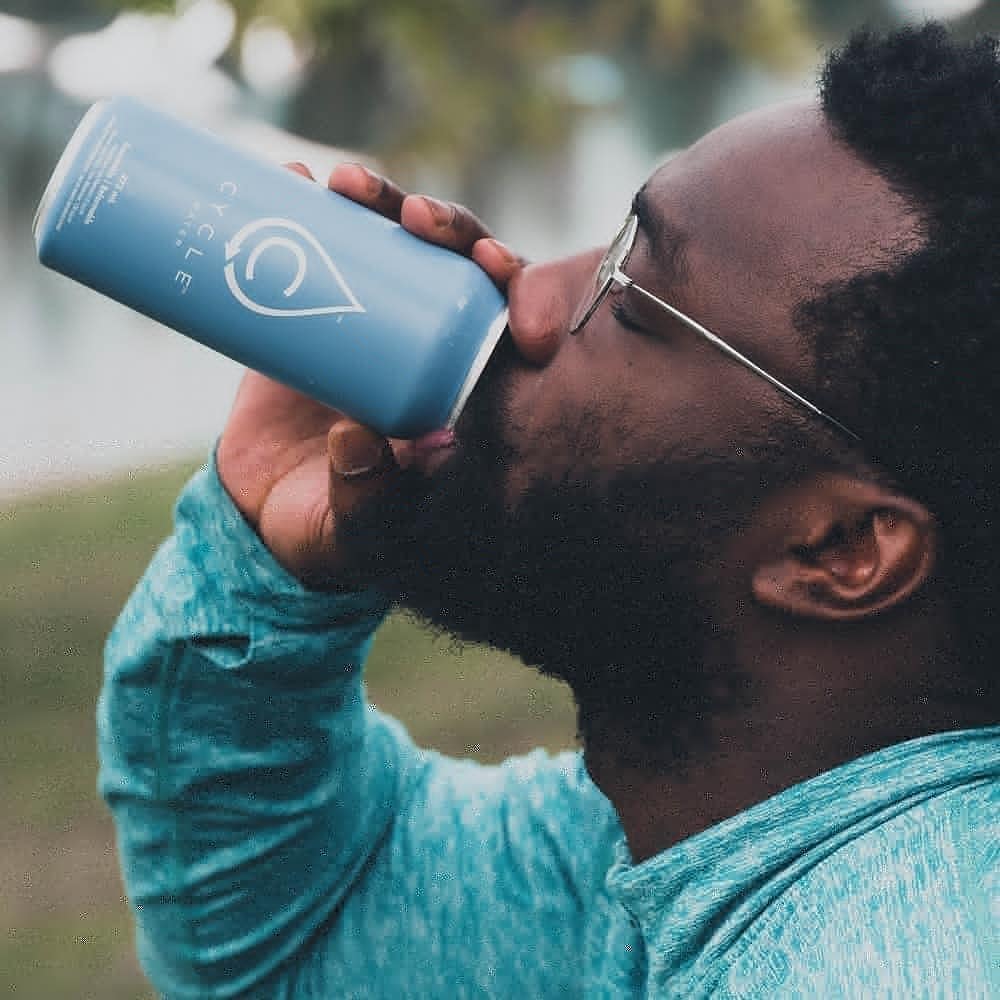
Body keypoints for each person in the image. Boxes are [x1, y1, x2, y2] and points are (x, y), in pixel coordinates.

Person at [99, 23, 998, 999]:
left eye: (633, 300)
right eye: (610, 244)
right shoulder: (691, 832)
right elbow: (294, 940)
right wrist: (265, 587)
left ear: (838, 548)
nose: (525, 293)